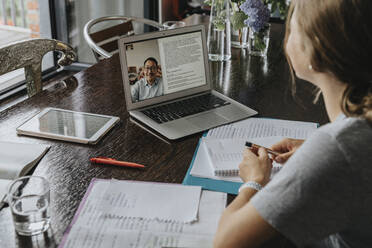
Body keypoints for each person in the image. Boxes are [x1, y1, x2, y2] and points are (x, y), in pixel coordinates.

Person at [213, 0, 372, 247]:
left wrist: (254, 181)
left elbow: (226, 241)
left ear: (317, 50)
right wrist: (313, 150)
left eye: (293, 27)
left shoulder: (337, 148)